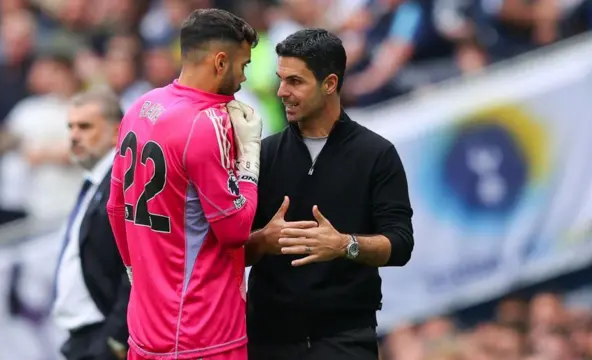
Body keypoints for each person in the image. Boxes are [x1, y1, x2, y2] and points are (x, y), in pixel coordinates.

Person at [245, 28, 415, 360]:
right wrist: (263, 240)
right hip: (268, 341)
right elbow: (229, 252)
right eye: (280, 79)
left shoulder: (376, 154)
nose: (281, 91)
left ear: (330, 84)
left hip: (345, 340)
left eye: (295, 81)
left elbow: (400, 244)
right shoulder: (260, 156)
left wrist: (344, 245)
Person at [106, 8, 262, 360]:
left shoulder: (140, 107)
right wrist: (249, 159)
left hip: (145, 331)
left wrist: (140, 276)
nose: (243, 79)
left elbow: (115, 209)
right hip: (203, 334)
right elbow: (235, 230)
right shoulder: (208, 124)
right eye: (243, 65)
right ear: (220, 63)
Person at [52, 89, 130, 360]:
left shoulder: (121, 183)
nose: (74, 135)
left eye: (85, 126)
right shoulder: (95, 182)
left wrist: (116, 338)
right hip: (83, 337)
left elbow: (134, 267)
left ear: (116, 132)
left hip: (103, 335)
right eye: (70, 127)